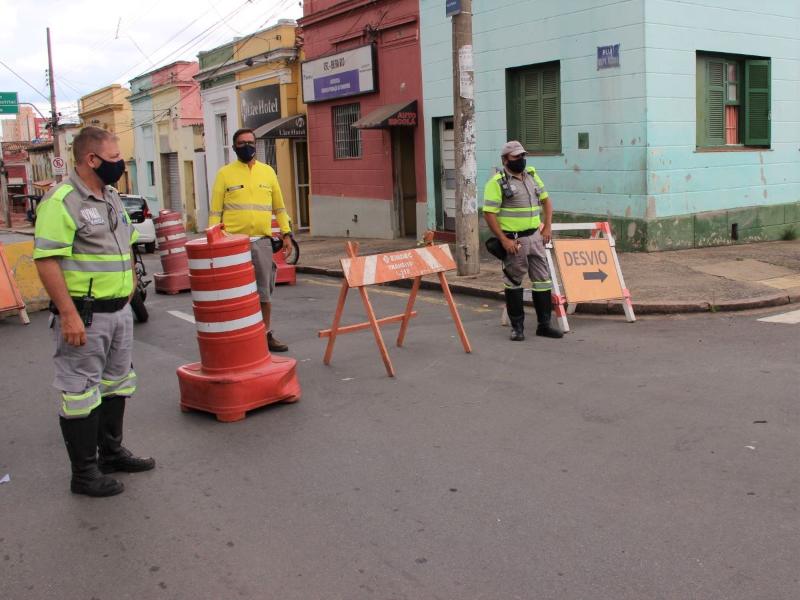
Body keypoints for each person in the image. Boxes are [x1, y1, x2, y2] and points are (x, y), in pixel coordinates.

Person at [34, 126, 155, 498]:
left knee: (117, 383)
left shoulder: (112, 197)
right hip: (85, 316)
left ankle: (112, 453)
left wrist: (132, 286)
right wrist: (68, 314)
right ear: (92, 159)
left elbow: (128, 244)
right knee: (81, 392)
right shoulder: (63, 200)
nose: (120, 164)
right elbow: (47, 260)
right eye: (116, 158)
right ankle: (84, 474)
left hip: (119, 313)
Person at [208, 128, 293, 353]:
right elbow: (215, 212)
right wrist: (212, 241)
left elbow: (280, 207)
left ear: (256, 145)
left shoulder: (268, 173)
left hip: (261, 242)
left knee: (263, 292)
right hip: (232, 245)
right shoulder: (225, 174)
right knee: (235, 294)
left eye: (250, 142)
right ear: (234, 147)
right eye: (242, 142)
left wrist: (287, 234)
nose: (247, 146)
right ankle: (237, 337)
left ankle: (265, 335)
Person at [483, 140, 563, 341]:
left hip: (536, 238)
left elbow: (546, 201)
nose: (521, 160)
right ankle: (517, 328)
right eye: (516, 157)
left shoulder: (533, 177)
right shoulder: (496, 183)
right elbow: (489, 213)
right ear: (505, 159)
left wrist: (548, 226)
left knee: (543, 281)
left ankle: (544, 325)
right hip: (514, 242)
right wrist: (503, 240)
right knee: (514, 283)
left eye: (523, 156)